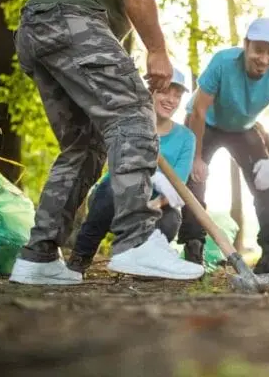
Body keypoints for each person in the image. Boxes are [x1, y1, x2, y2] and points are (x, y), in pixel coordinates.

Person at [10, 0, 226, 285]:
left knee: (85, 147)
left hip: (41, 30)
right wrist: (157, 50)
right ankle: (136, 240)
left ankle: (38, 256)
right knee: (135, 115)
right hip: (68, 18)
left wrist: (118, 68)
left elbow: (120, 7)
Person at [182, 17, 269, 279]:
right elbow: (199, 110)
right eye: (258, 50)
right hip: (205, 123)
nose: (263, 59)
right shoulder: (223, 62)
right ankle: (193, 247)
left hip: (243, 128)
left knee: (266, 181)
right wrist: (196, 158)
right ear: (246, 45)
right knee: (195, 178)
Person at [66, 68, 202, 278]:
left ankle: (146, 264)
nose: (171, 100)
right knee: (109, 190)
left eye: (177, 95)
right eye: (165, 92)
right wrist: (153, 179)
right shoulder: (130, 126)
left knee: (170, 220)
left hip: (156, 205)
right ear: (150, 93)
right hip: (115, 199)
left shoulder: (186, 138)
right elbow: (120, 169)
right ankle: (79, 259)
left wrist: (151, 206)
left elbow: (178, 187)